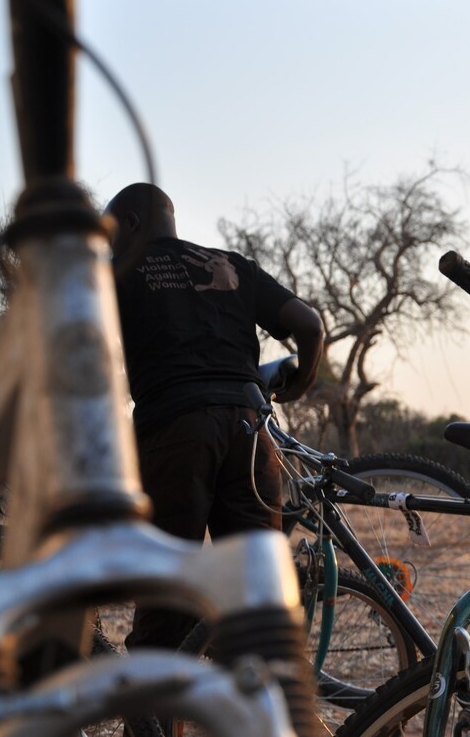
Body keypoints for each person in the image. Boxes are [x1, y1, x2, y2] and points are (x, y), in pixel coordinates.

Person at [104, 182, 324, 661]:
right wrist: (300, 385)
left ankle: (152, 724)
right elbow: (309, 325)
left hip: (175, 434)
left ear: (133, 224)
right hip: (250, 433)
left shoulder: (118, 270)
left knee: (167, 602)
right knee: (255, 603)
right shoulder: (231, 265)